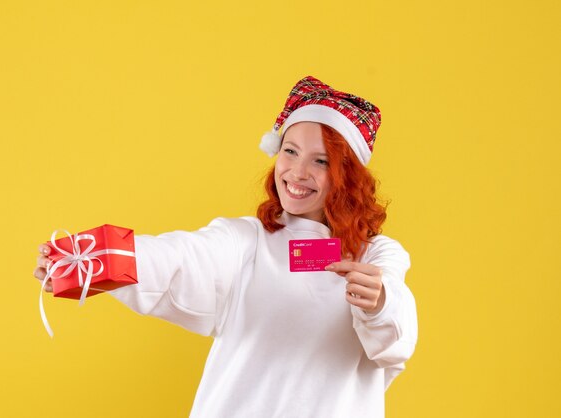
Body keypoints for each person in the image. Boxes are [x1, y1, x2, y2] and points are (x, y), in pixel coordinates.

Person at [33, 76, 418, 417]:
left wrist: (380, 303)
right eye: (290, 151)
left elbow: (394, 344)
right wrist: (86, 262)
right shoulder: (246, 241)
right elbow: (179, 258)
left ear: (347, 176)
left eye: (321, 161)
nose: (297, 173)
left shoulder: (377, 257)